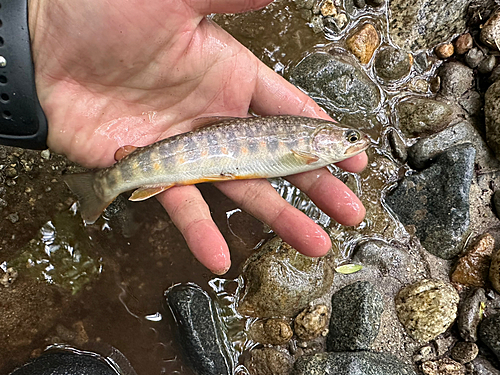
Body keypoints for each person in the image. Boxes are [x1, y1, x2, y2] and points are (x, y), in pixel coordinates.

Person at [24, 0, 367, 274]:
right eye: (349, 138)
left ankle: (103, 186)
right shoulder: (305, 150)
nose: (354, 143)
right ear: (323, 138)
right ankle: (102, 186)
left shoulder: (308, 144)